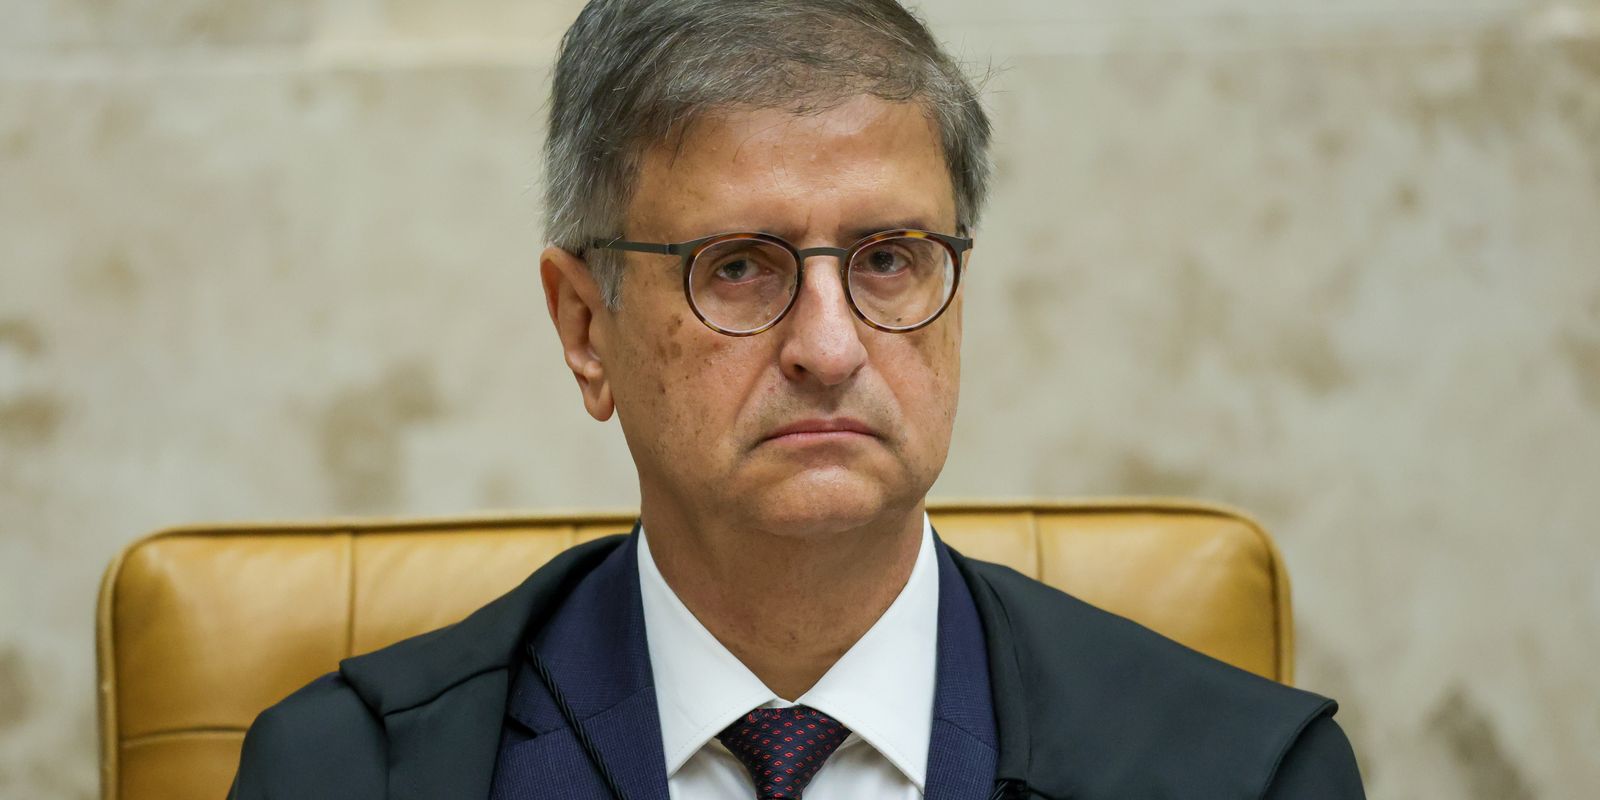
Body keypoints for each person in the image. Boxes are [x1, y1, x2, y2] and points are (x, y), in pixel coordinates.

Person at [229, 1, 1365, 798]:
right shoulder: (349, 774)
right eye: (737, 265)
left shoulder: (1242, 774)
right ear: (584, 328)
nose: (829, 347)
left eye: (889, 259)